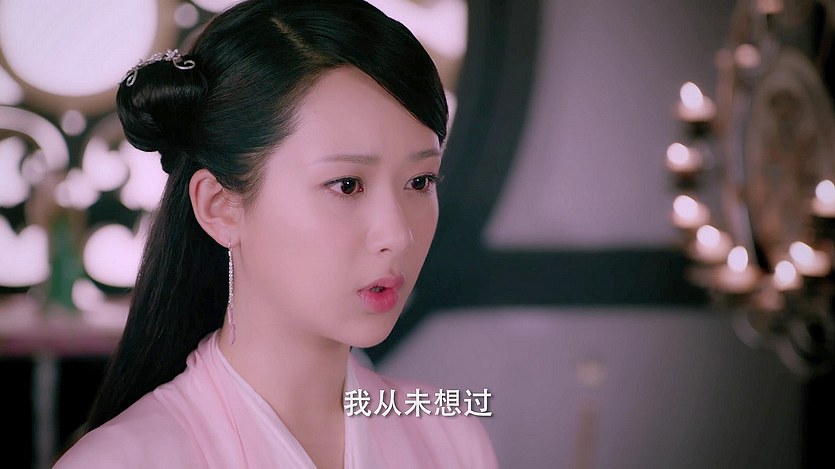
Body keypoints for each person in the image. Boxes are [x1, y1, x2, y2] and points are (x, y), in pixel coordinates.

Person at [54, 0, 498, 467]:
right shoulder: (123, 460)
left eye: (420, 181)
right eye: (347, 185)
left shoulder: (449, 438)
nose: (398, 235)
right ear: (220, 207)